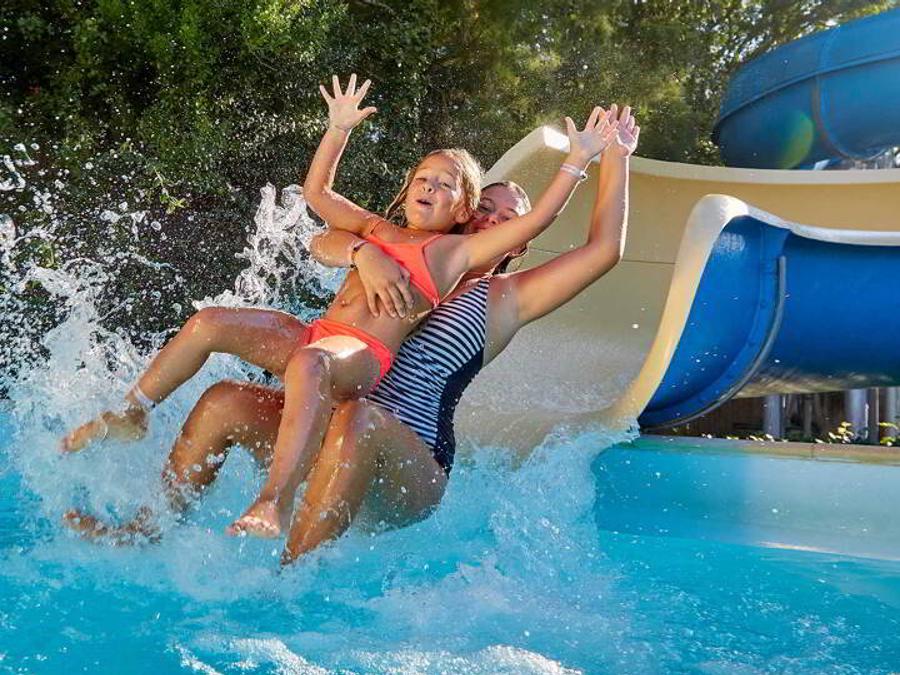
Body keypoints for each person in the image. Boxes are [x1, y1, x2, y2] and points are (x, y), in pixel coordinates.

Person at [64, 106, 640, 564]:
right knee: (223, 400)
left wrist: (614, 155)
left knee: (357, 418)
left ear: (518, 242)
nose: (492, 219)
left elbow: (604, 251)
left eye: (506, 218)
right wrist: (362, 253)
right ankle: (146, 530)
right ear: (464, 211)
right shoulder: (405, 247)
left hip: (407, 464)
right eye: (486, 207)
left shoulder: (506, 297)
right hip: (331, 415)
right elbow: (322, 236)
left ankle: (287, 577)